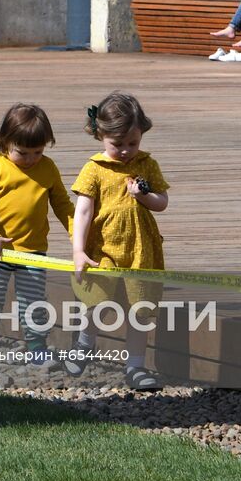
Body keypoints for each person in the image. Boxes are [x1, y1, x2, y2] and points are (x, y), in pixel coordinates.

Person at [69, 92, 169, 391]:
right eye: (118, 144)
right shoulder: (95, 168)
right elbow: (83, 211)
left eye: (132, 143)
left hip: (141, 248)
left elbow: (162, 202)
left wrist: (144, 196)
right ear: (100, 135)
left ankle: (135, 366)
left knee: (140, 307)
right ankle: (85, 344)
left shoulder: (147, 164)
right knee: (95, 300)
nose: (126, 151)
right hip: (104, 247)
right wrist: (78, 250)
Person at [0, 103, 74, 365]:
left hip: (33, 251)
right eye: (22, 152)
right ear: (5, 143)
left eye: (38, 151)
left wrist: (78, 235)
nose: (30, 159)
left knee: (33, 302)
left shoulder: (48, 168)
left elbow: (62, 204)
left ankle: (37, 345)